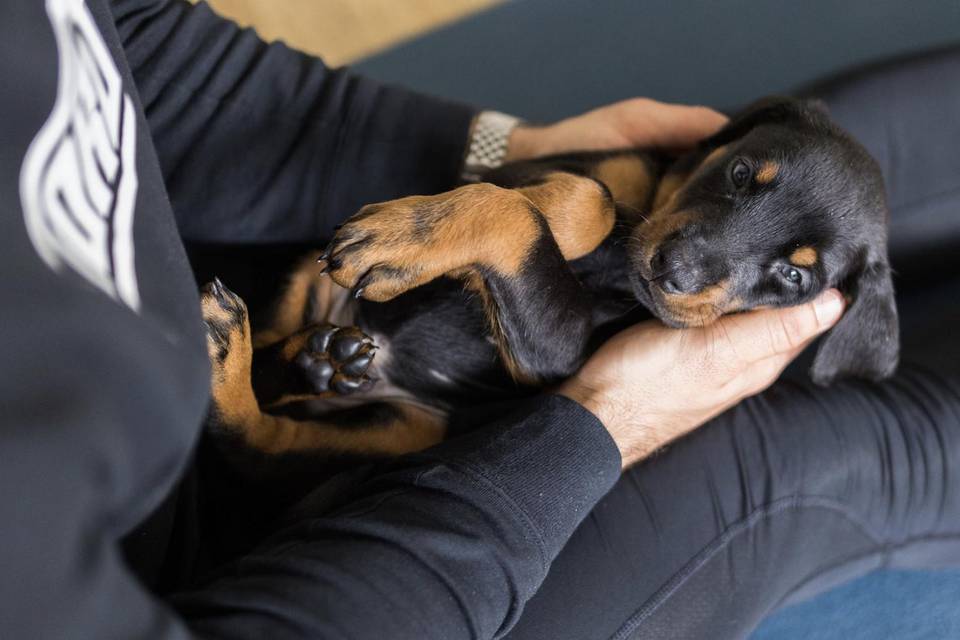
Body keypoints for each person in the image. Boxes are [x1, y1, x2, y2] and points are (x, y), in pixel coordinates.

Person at [1, 1, 958, 638]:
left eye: (781, 274)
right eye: (736, 181)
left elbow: (146, 54)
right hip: (379, 545)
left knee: (840, 151)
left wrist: (507, 149)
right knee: (833, 448)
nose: (691, 259)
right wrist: (608, 426)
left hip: (289, 299)